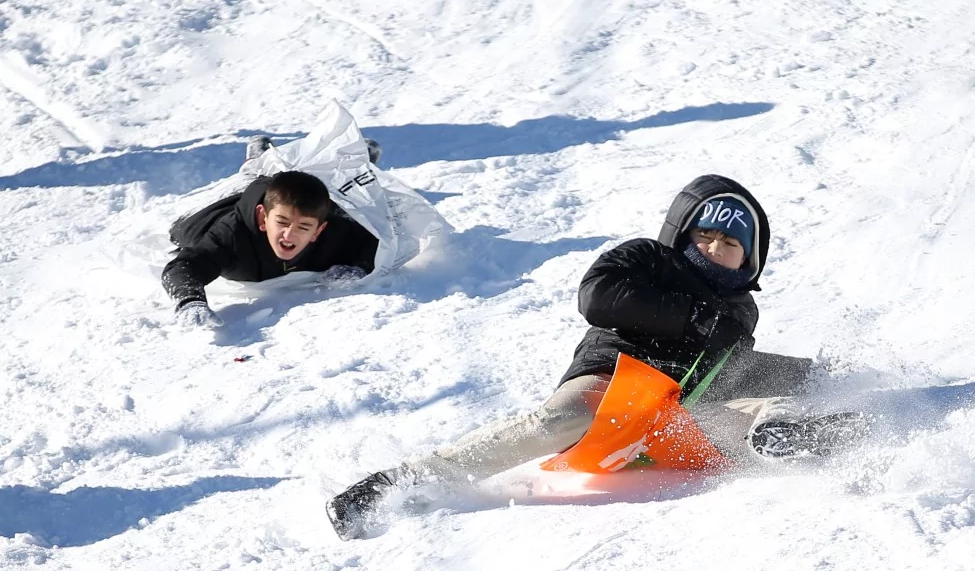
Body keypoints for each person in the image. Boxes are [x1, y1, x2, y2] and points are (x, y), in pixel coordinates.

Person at [326, 174, 845, 540]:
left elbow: (727, 366)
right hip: (615, 374)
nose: (712, 248)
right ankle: (409, 479)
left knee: (764, 395)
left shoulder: (740, 307)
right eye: (703, 235)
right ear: (681, 233)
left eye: (729, 242)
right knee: (562, 419)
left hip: (676, 410)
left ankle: (794, 433)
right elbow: (597, 297)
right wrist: (689, 317)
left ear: (749, 258)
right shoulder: (644, 256)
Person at [162, 166, 379, 327]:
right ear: (262, 219)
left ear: (318, 231)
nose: (289, 234)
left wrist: (360, 265)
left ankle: (353, 165)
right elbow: (185, 265)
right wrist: (190, 300)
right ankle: (255, 162)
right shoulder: (232, 237)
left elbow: (375, 240)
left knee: (331, 191)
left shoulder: (335, 232)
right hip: (214, 212)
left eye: (303, 227)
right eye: (282, 223)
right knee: (253, 177)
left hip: (284, 199)